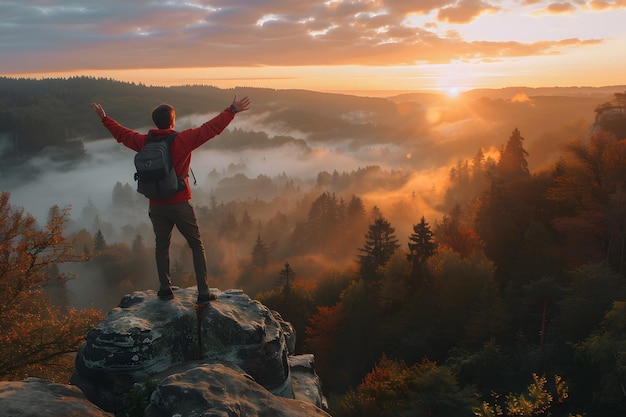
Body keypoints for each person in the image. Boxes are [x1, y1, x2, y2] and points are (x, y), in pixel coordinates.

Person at [92, 95, 251, 303]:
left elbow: (122, 134)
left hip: (156, 204)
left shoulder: (144, 142)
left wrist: (105, 118)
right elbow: (210, 128)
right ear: (172, 121)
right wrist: (231, 110)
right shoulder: (181, 140)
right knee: (196, 244)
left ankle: (165, 289)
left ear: (155, 121)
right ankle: (203, 292)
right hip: (179, 202)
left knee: (161, 246)